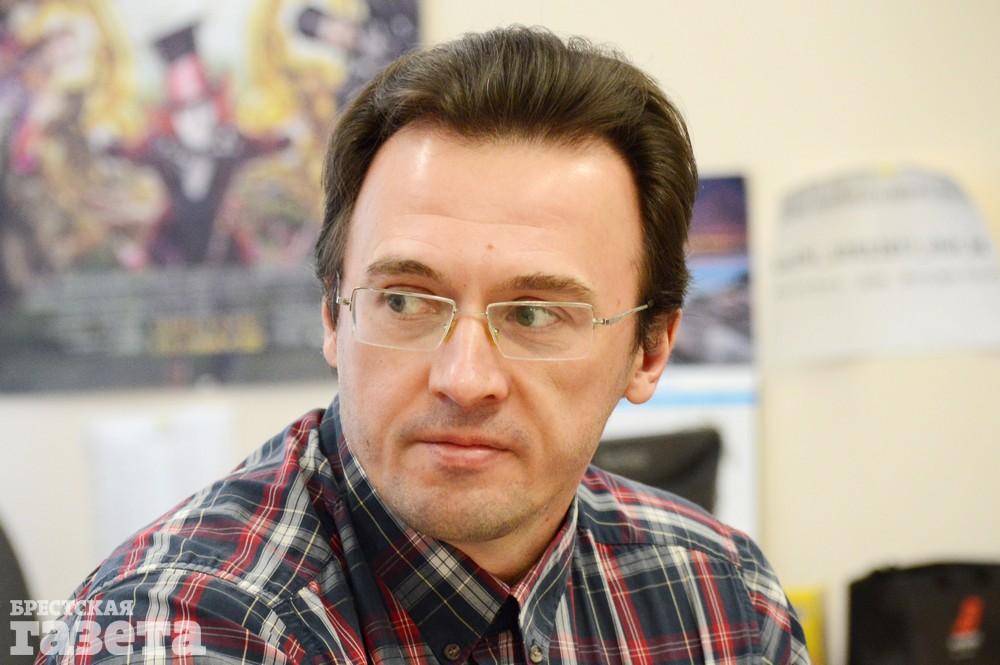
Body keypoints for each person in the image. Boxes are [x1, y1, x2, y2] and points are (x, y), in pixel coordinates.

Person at [38, 27, 809, 664]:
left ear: (650, 348)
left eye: (534, 314)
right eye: (405, 300)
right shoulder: (180, 627)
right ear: (334, 314)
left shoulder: (723, 601)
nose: (464, 378)